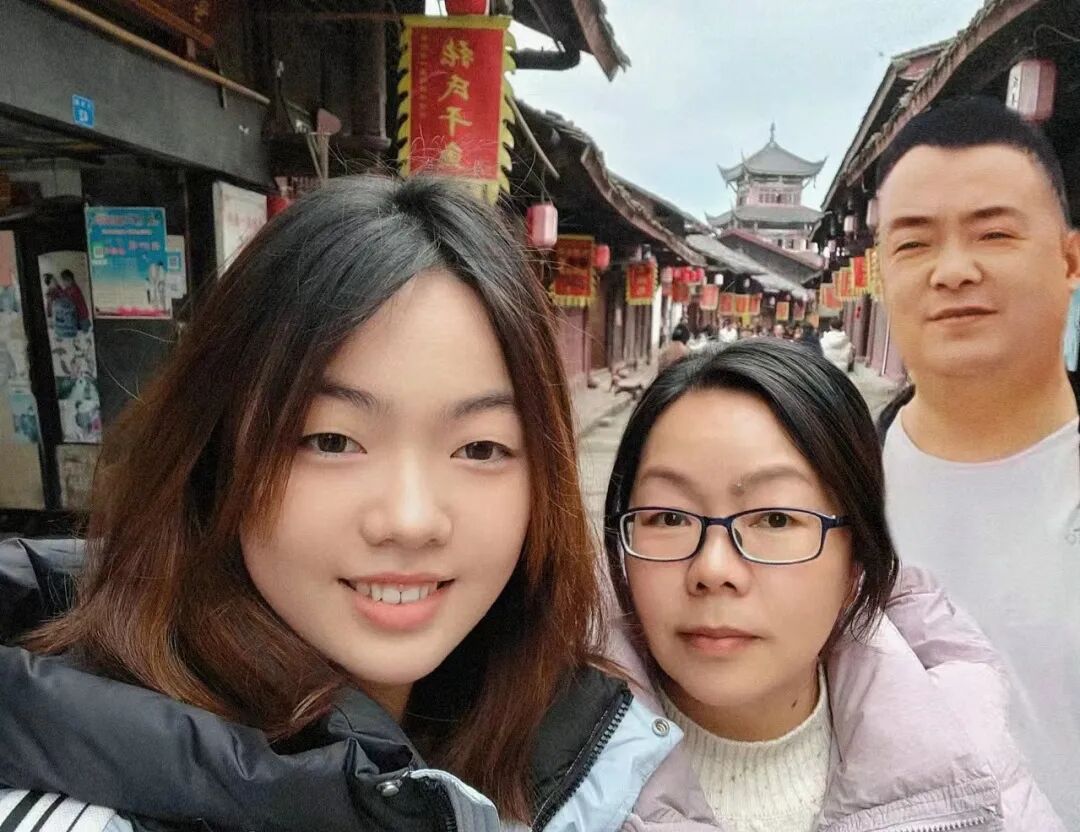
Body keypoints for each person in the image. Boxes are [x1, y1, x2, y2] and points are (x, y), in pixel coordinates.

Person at [0, 176, 692, 831]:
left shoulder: (587, 758)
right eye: (331, 441)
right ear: (213, 454)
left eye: (481, 448)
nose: (411, 520)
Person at [603, 340, 1061, 831]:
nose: (713, 570)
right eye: (669, 517)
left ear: (856, 557)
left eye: (776, 519)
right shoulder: (552, 772)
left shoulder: (972, 775)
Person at [874, 96, 1080, 825]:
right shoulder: (829, 493)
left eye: (993, 234)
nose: (953, 271)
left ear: (1070, 260)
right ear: (880, 273)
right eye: (914, 244)